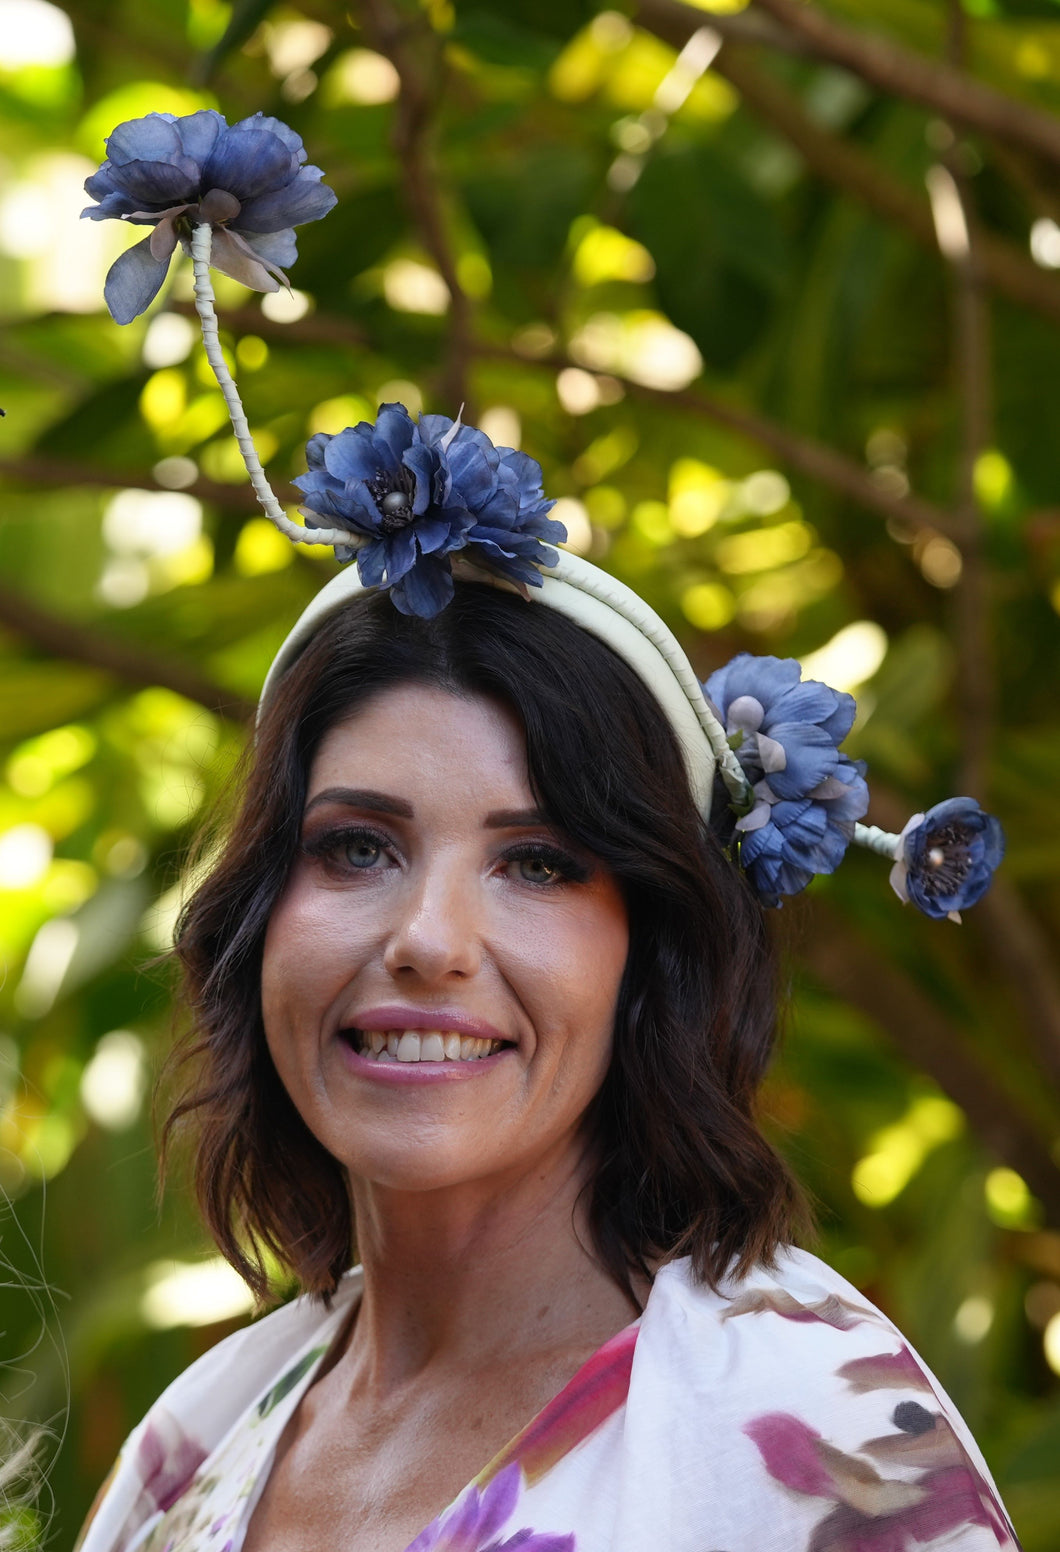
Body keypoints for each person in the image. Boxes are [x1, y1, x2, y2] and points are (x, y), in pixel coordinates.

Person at [74, 452, 1016, 1551]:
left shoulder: (812, 1432)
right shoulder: (201, 1434)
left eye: (538, 864)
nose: (427, 940)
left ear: (650, 952)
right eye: (357, 847)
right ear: (259, 916)